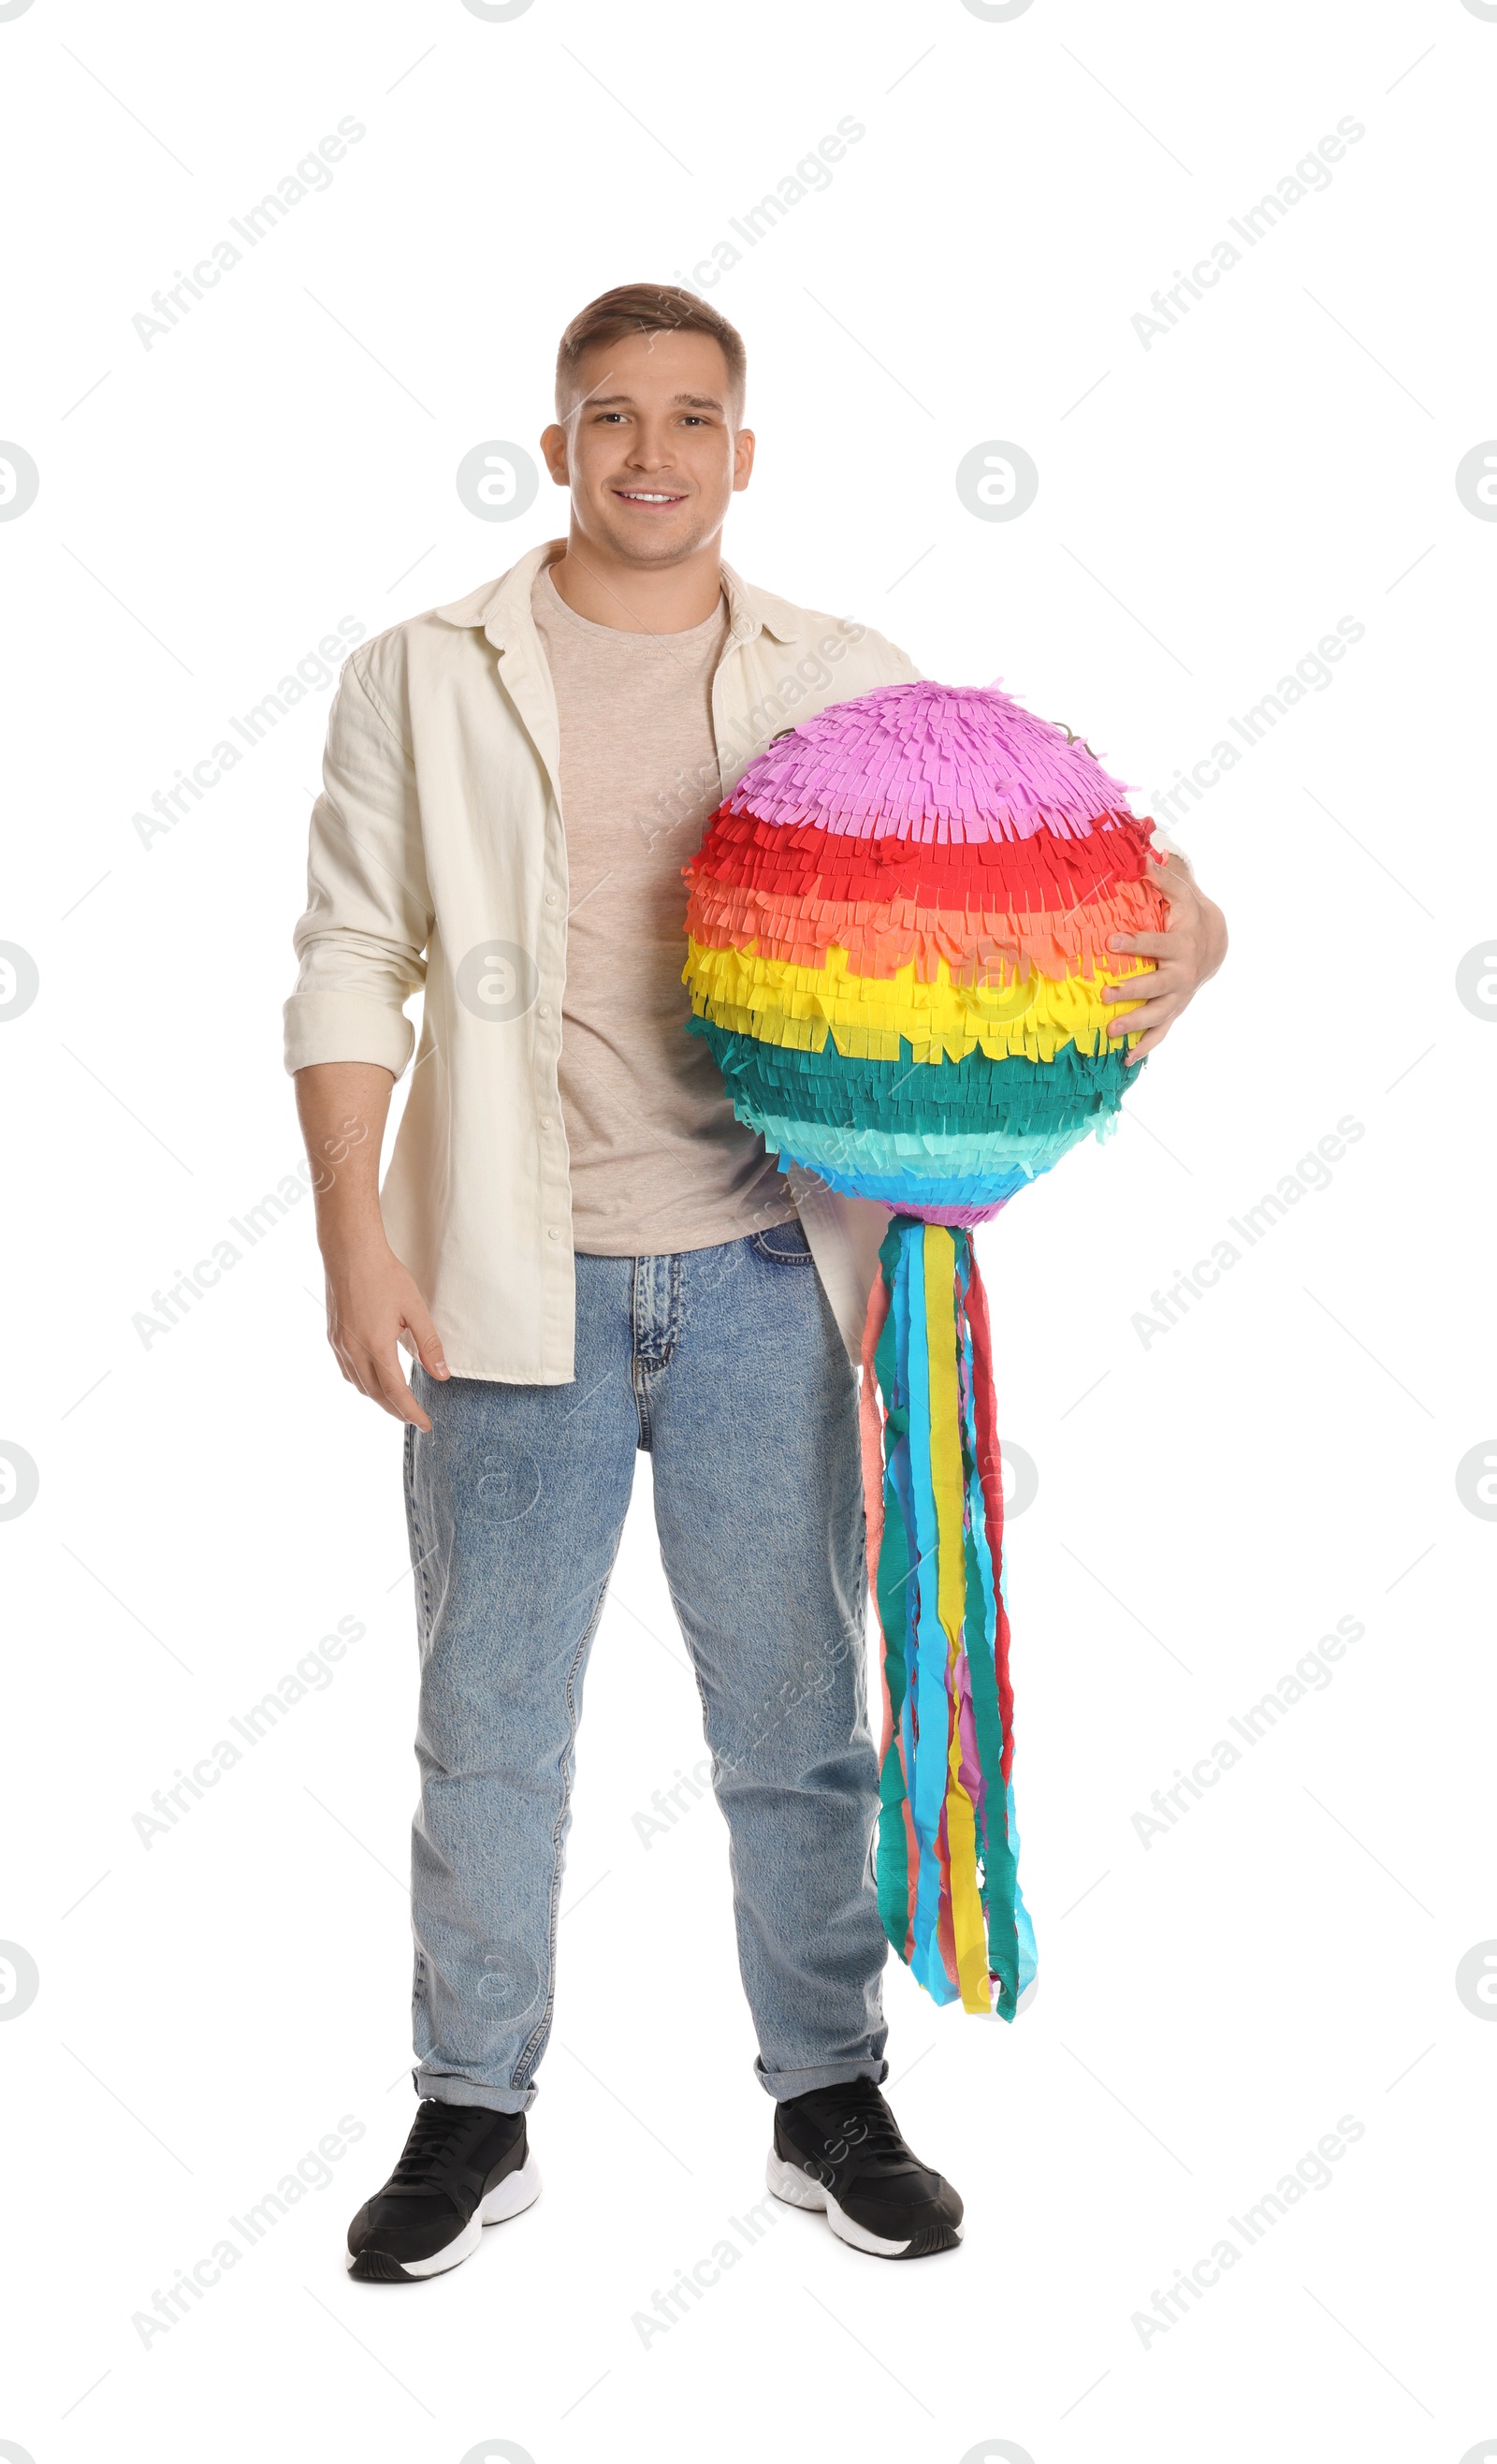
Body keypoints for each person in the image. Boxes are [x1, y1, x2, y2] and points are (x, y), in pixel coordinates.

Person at [284, 283, 1228, 2282]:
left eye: (691, 419)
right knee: (491, 1721)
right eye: (608, 417)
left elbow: (1011, 877)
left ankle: (827, 2092)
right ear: (554, 450)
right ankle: (473, 2105)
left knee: (800, 1714)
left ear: (742, 454)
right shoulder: (421, 673)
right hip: (498, 1284)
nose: (649, 452)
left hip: (766, 1281)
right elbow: (353, 954)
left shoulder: (841, 673)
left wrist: (1188, 924)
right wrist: (352, 1231)